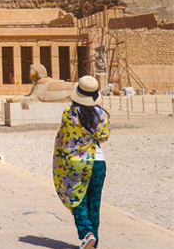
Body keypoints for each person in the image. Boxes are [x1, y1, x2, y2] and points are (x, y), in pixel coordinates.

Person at [53, 75, 110, 249]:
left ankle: (87, 234)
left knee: (76, 199)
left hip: (76, 162)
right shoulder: (102, 114)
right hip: (98, 161)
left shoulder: (70, 113)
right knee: (94, 202)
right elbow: (104, 136)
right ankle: (94, 243)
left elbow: (65, 135)